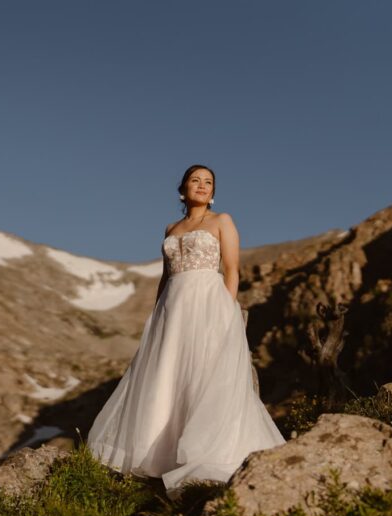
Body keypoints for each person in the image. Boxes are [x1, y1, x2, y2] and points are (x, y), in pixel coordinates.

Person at [86, 164, 286, 493]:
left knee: (204, 375)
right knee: (167, 375)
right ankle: (159, 456)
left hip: (208, 304)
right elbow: (166, 279)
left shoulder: (223, 221)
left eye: (208, 182)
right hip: (172, 309)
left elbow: (233, 270)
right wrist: (156, 316)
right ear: (183, 189)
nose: (202, 186)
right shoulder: (171, 228)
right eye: (196, 181)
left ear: (214, 192)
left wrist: (226, 311)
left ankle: (205, 451)